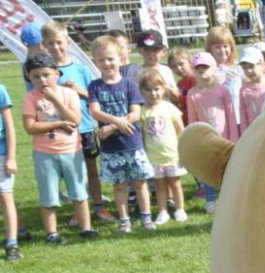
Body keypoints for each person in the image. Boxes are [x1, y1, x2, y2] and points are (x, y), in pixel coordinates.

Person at [22, 52, 99, 244]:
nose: (42, 80)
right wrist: (57, 124)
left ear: (56, 73)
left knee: (79, 192)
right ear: (29, 77)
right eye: (36, 76)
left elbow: (75, 120)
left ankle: (86, 228)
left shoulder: (69, 94)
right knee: (48, 195)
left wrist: (55, 100)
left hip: (72, 151)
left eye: (46, 74)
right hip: (45, 153)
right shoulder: (31, 98)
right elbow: (30, 127)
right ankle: (52, 233)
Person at [42, 21, 113, 225]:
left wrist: (78, 91)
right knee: (74, 172)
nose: (56, 47)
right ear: (44, 46)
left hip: (86, 127)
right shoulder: (47, 73)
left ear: (67, 43)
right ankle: (78, 211)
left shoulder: (81, 69)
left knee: (91, 168)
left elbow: (95, 94)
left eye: (59, 42)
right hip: (64, 128)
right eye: (50, 44)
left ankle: (99, 206)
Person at [88, 36, 156, 233]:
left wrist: (110, 127)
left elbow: (135, 113)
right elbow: (95, 111)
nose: (107, 63)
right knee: (119, 186)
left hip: (132, 144)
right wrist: (117, 121)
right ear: (95, 62)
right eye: (101, 60)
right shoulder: (95, 86)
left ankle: (146, 218)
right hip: (112, 148)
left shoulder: (129, 85)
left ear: (120, 58)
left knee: (140, 183)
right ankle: (124, 220)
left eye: (110, 58)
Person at [187, 52, 239, 212]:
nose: (202, 70)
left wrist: (233, 138)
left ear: (215, 69)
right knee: (207, 171)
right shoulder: (193, 94)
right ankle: (211, 200)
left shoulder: (223, 91)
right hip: (205, 141)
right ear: (194, 71)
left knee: (227, 170)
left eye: (205, 67)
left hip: (224, 139)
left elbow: (231, 115)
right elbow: (193, 119)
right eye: (198, 68)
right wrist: (195, 140)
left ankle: (228, 198)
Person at [139, 68, 188, 224]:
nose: (153, 93)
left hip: (172, 155)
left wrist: (183, 148)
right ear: (141, 91)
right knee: (159, 186)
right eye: (148, 90)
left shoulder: (169, 108)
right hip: (154, 157)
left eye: (156, 89)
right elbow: (141, 135)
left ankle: (180, 209)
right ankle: (163, 211)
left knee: (175, 183)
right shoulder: (142, 112)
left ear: (163, 89)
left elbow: (180, 130)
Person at [0, 81, 20, 262]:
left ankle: (12, 243)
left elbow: (9, 127)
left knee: (5, 196)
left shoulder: (0, 89)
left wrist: (11, 156)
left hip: (1, 154)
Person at [206, 26, 243, 122]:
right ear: (210, 49)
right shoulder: (209, 71)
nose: (222, 50)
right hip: (221, 120)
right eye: (217, 47)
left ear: (231, 47)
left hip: (239, 117)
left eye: (225, 46)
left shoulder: (238, 68)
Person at [238, 46, 265, 134]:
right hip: (254, 133)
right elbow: (243, 116)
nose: (248, 71)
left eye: (251, 66)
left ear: (261, 65)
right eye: (245, 68)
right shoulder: (244, 90)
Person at [136, 29, 178, 95]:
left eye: (155, 50)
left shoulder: (166, 70)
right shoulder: (136, 71)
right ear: (139, 51)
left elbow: (176, 96)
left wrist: (165, 87)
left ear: (164, 52)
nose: (151, 54)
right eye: (146, 50)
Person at [168, 48, 196, 126]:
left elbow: (192, 100)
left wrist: (177, 96)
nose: (179, 68)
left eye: (181, 64)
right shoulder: (179, 84)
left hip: (194, 121)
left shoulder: (194, 79)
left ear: (190, 61)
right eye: (174, 66)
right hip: (185, 122)